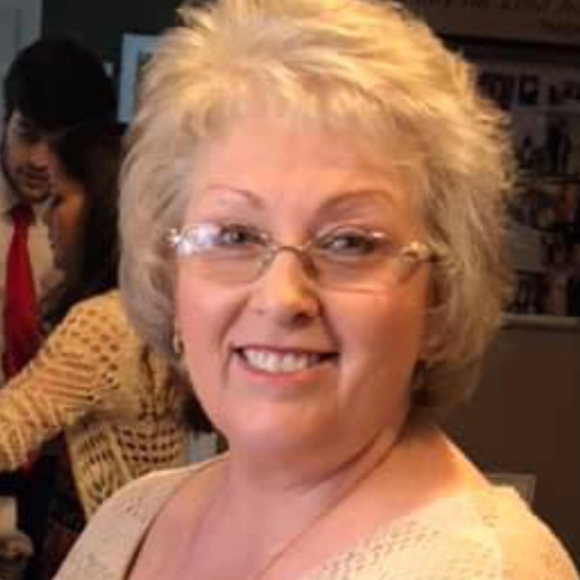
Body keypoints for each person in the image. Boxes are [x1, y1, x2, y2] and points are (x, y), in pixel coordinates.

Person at [56, 1, 579, 579]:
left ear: (438, 300)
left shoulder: (485, 569)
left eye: (350, 243)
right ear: (169, 275)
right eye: (235, 235)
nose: (282, 298)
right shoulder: (132, 515)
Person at [0, 123, 195, 578]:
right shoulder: (151, 306)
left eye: (60, 200)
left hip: (100, 550)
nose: (47, 218)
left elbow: (7, 433)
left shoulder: (102, 325)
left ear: (106, 208)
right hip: (148, 542)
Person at [0, 36, 117, 579]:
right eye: (28, 134)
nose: (39, 161)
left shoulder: (91, 243)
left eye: (60, 143)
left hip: (65, 477)